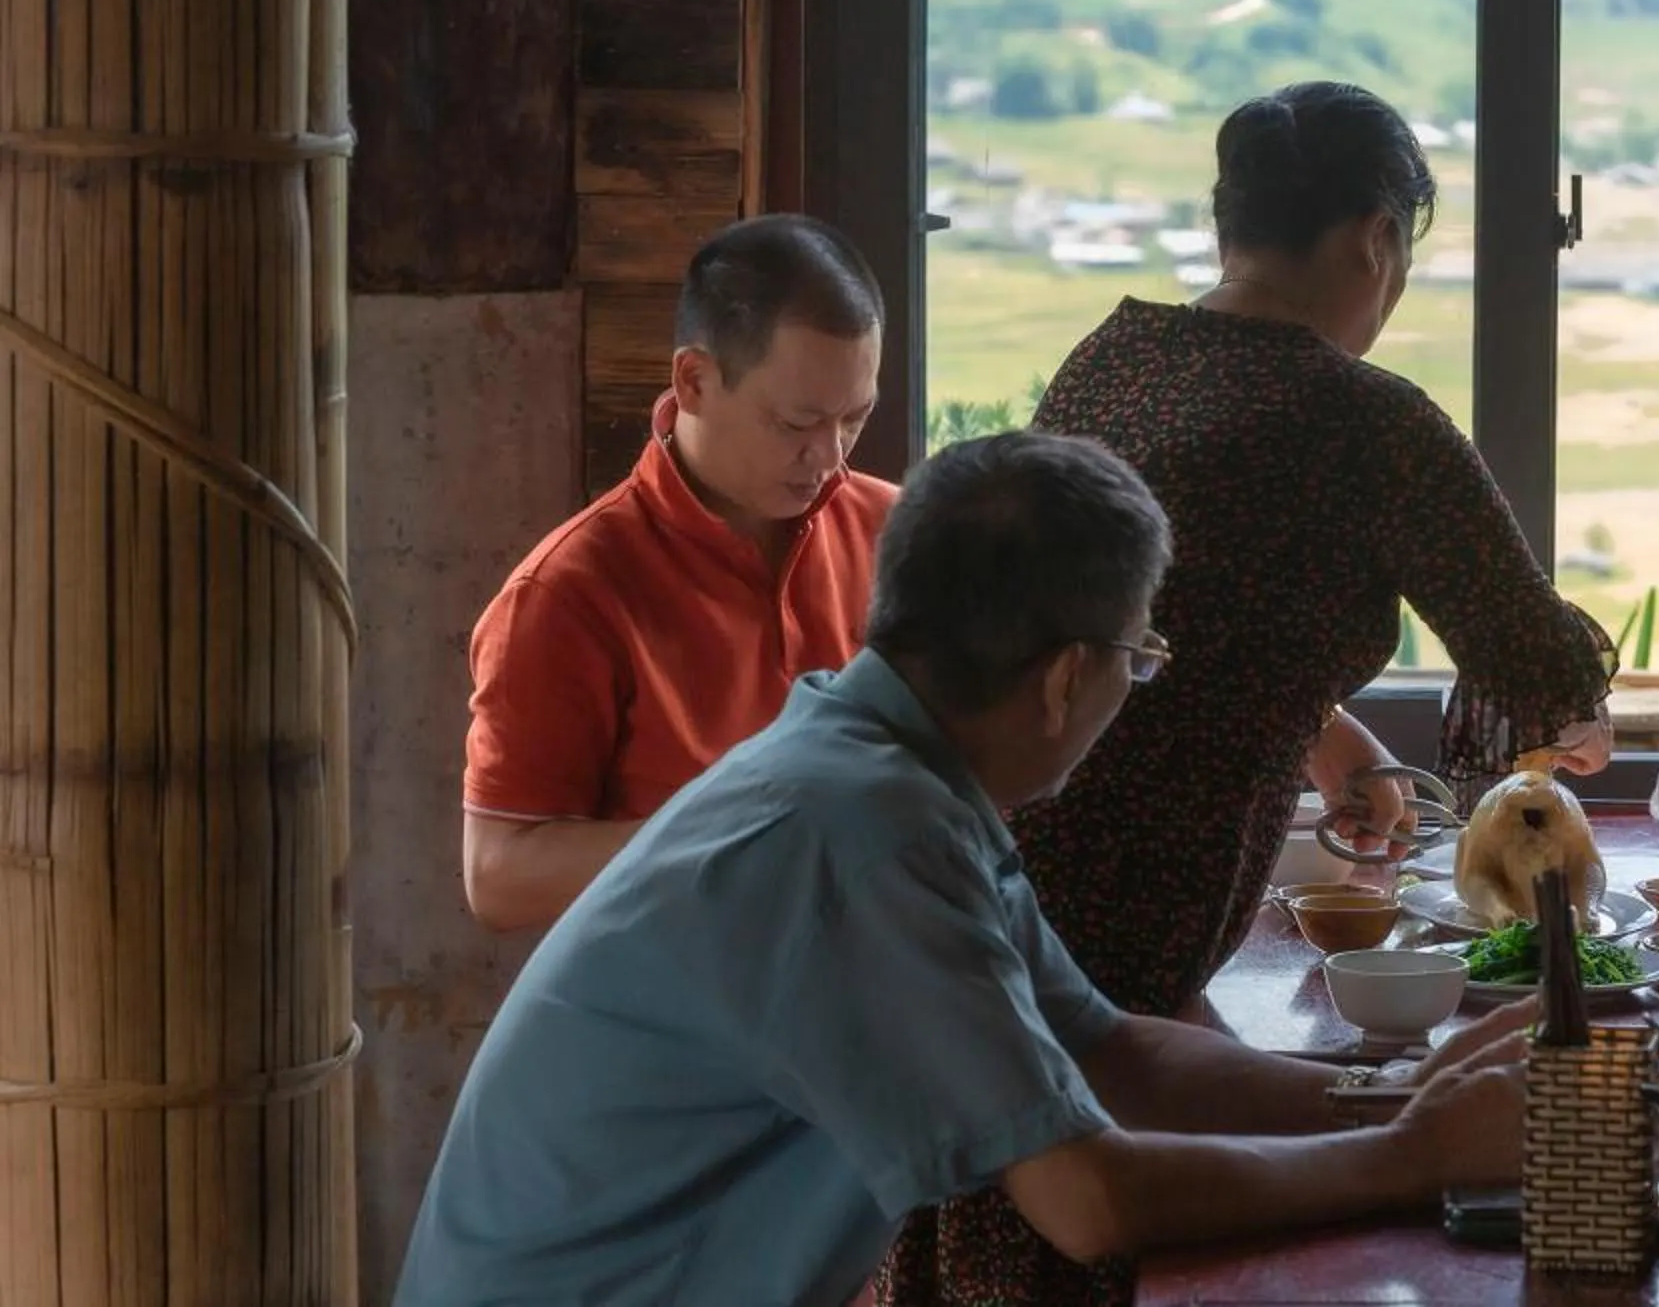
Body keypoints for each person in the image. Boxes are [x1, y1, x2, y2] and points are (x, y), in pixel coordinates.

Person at [397, 432, 1533, 1307]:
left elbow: (1113, 1053)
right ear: (1065, 678)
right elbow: (1087, 1200)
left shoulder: (886, 768)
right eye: (1140, 660)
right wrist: (1408, 1156)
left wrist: (1393, 1092)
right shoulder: (861, 825)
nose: (1127, 693)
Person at [879, 82, 1616, 1306]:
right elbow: (1539, 667)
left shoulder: (1116, 357)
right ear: (1376, 238)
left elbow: (1144, 626)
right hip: (1128, 926)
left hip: (1003, 880)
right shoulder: (1365, 420)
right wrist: (1577, 721)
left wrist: (1324, 738)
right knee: (1107, 1246)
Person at [459, 213, 896, 932]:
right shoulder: (569, 593)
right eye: (795, 424)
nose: (831, 459)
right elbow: (499, 877)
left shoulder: (896, 535)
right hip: (676, 1018)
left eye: (854, 418)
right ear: (693, 380)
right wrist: (751, 835)